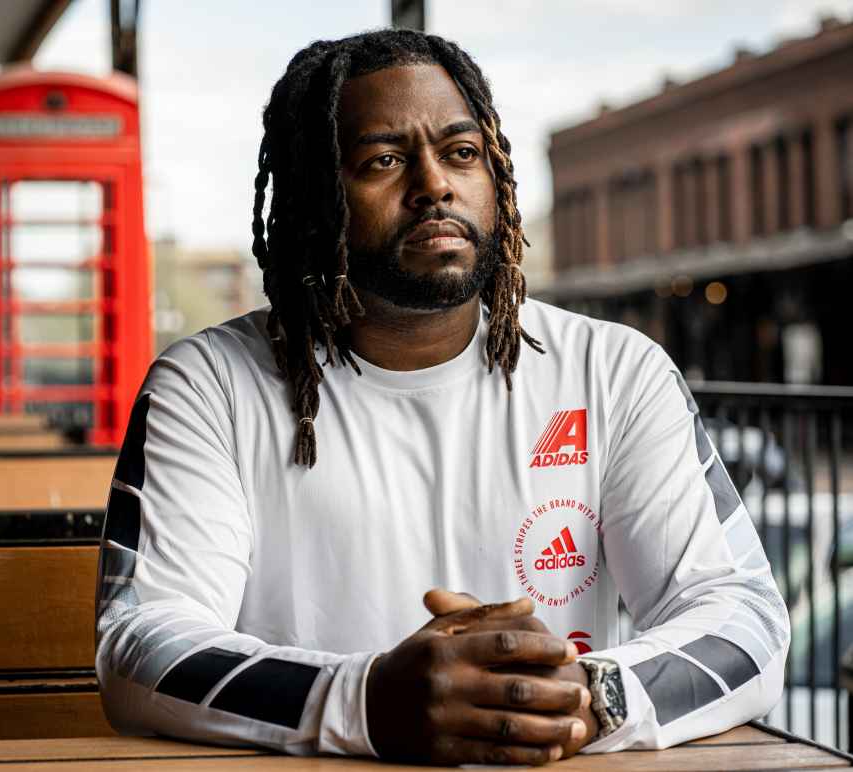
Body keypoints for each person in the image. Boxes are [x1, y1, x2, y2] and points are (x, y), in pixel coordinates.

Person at [95, 29, 789, 766]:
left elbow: (743, 619)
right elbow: (144, 643)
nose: (434, 185)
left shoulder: (614, 371)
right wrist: (360, 701)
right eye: (383, 161)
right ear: (310, 197)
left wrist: (582, 699)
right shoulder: (208, 387)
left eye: (461, 153)